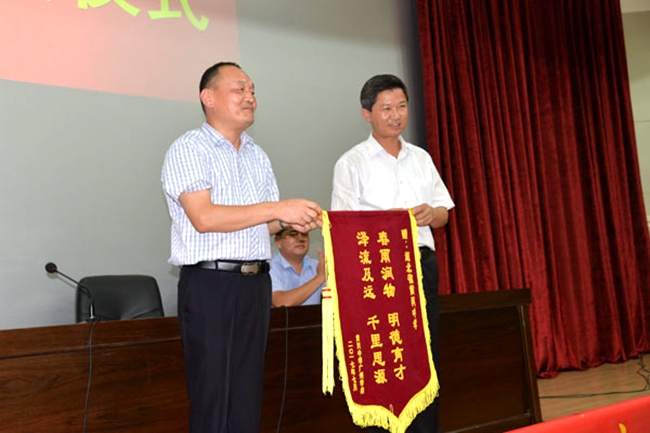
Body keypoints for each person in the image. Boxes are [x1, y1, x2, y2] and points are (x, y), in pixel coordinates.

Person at [161, 61, 322, 433]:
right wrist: (278, 209)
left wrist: (290, 221)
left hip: (255, 285)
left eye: (253, 91)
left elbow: (262, 224)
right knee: (213, 396)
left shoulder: (257, 155)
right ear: (208, 97)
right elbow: (204, 218)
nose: (250, 98)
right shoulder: (189, 148)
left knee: (247, 396)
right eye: (239, 89)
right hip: (211, 285)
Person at [330, 74, 454, 433]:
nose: (396, 115)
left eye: (401, 106)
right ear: (367, 113)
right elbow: (344, 227)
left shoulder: (421, 158)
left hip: (421, 265)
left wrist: (432, 214)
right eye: (386, 108)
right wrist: (386, 225)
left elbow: (444, 214)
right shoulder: (351, 163)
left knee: (425, 355)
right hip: (380, 270)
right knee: (385, 357)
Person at [270, 228, 325, 307]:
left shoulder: (317, 266)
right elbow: (280, 303)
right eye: (293, 234)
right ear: (278, 241)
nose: (301, 239)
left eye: (304, 234)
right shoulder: (269, 267)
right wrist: (319, 278)